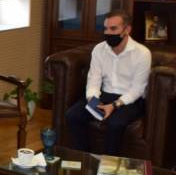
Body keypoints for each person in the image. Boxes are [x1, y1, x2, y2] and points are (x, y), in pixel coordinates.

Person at [64, 9, 151, 155]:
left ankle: (108, 164)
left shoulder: (142, 53)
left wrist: (114, 105)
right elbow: (93, 80)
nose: (108, 33)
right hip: (104, 95)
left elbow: (138, 89)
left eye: (113, 28)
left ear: (127, 30)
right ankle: (85, 157)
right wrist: (93, 100)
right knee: (73, 115)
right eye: (105, 28)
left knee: (115, 124)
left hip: (129, 100)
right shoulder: (99, 49)